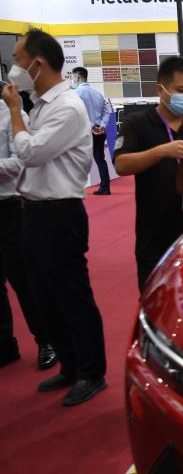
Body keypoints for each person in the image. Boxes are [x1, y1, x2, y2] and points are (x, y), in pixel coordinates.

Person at [2, 29, 107, 405]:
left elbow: (30, 153)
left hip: (60, 214)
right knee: (45, 296)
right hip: (33, 212)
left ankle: (92, 372)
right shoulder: (43, 104)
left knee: (72, 295)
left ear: (38, 64)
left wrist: (15, 113)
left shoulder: (66, 106)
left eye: (17, 60)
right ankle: (71, 365)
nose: (14, 68)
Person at [114, 56, 183, 291]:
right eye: (181, 90)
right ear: (161, 90)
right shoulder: (137, 123)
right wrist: (162, 151)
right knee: (155, 296)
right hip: (154, 233)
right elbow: (121, 164)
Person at [1, 99, 56, 370]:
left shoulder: (12, 115)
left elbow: (21, 161)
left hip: (9, 205)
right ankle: (5, 346)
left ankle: (47, 340)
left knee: (23, 280)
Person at [70, 67, 114, 195]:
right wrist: (102, 125)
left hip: (84, 131)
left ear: (77, 77)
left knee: (78, 159)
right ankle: (105, 187)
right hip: (99, 131)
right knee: (100, 158)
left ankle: (76, 188)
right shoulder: (98, 93)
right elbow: (107, 111)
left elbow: (79, 113)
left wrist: (91, 126)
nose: (72, 80)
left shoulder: (76, 93)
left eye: (72, 77)